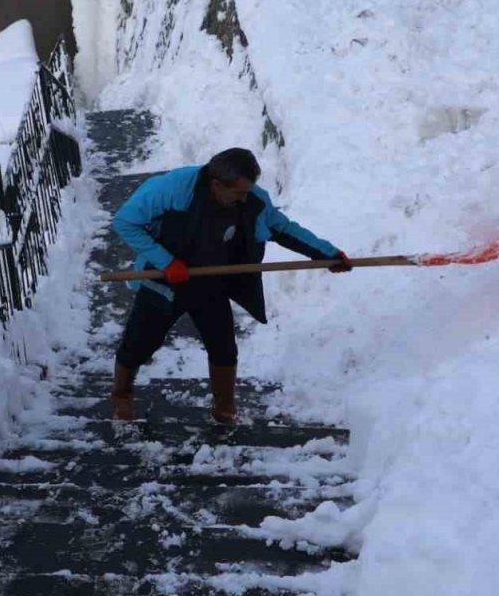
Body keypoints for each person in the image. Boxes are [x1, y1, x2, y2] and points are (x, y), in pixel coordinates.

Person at [110, 148, 351, 423]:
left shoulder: (253, 202)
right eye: (238, 193)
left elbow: (283, 229)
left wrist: (326, 254)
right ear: (216, 185)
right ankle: (121, 395)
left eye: (248, 191)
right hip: (163, 283)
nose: (244, 199)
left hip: (211, 284)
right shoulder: (172, 189)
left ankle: (224, 410)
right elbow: (125, 222)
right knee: (139, 344)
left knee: (224, 348)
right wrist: (166, 262)